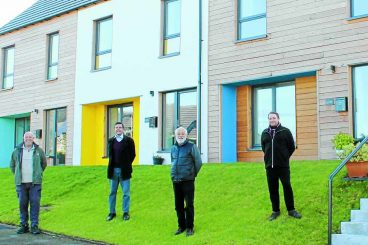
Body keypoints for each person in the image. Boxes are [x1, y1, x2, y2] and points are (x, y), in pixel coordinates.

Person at [261, 112, 302, 221]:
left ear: (278, 118)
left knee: (287, 186)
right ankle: (275, 211)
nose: (272, 120)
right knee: (272, 189)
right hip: (270, 167)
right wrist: (269, 159)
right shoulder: (264, 133)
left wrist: (284, 157)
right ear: (268, 120)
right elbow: (264, 148)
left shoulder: (285, 131)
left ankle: (291, 210)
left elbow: (291, 147)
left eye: (274, 118)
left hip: (283, 166)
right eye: (270, 118)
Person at [10, 131, 47, 234]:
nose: (28, 139)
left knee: (35, 204)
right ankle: (24, 225)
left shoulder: (39, 151)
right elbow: (12, 165)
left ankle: (34, 226)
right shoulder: (17, 151)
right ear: (24, 138)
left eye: (30, 137)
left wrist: (38, 174)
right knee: (22, 204)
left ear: (33, 138)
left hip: (35, 183)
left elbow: (43, 164)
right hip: (21, 183)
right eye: (26, 137)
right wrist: (17, 174)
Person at [171, 127, 202, 236]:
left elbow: (198, 162)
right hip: (176, 180)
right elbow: (173, 161)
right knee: (178, 205)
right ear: (175, 135)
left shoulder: (192, 147)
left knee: (189, 205)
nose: (180, 135)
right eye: (178, 134)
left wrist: (192, 174)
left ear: (186, 135)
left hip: (188, 181)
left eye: (182, 133)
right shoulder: (173, 148)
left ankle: (190, 227)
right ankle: (181, 226)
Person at [106, 122, 136, 221]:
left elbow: (133, 155)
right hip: (113, 170)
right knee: (112, 192)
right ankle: (112, 212)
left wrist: (126, 164)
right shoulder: (111, 141)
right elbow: (110, 155)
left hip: (125, 170)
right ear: (114, 129)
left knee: (126, 193)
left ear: (123, 129)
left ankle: (126, 212)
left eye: (120, 127)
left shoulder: (129, 141)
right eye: (116, 127)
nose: (118, 129)